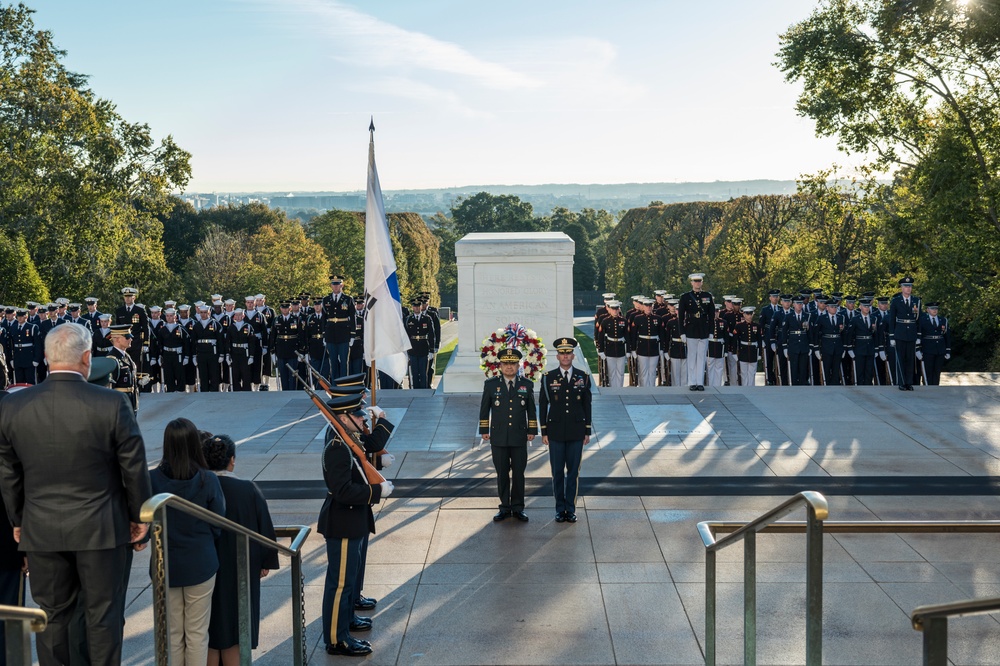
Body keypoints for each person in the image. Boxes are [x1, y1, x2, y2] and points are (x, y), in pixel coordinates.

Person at [0, 323, 152, 666]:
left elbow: (8, 473)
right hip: (102, 528)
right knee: (102, 617)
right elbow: (134, 467)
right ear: (87, 358)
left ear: (45, 357)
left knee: (52, 618)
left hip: (41, 530)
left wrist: (19, 520)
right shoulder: (112, 403)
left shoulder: (14, 405)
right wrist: (139, 516)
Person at [319, 394, 393, 657]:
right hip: (343, 521)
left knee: (349, 581)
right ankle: (336, 640)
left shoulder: (346, 440)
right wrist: (376, 491)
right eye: (358, 415)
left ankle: (346, 621)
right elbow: (342, 490)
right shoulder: (338, 447)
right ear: (343, 418)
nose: (363, 418)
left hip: (353, 519)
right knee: (340, 585)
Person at [150, 417, 226, 666]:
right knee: (196, 634)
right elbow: (218, 522)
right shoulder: (208, 479)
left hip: (166, 564)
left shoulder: (152, 479)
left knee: (171, 634)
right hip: (201, 562)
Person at [202, 434, 279, 666]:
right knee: (237, 627)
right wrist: (265, 561)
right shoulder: (247, 489)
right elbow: (264, 528)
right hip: (241, 568)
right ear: (232, 460)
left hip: (207, 567)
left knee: (210, 630)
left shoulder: (199, 488)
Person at [478, 348, 537, 523]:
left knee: (519, 473)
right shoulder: (491, 384)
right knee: (502, 473)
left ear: (518, 365)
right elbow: (484, 409)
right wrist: (484, 430)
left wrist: (532, 430)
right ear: (500, 365)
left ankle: (518, 507)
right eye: (506, 363)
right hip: (498, 436)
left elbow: (531, 410)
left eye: (512, 363)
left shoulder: (526, 384)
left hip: (519, 436)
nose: (509, 367)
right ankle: (504, 507)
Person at [538, 337, 591, 524]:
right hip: (556, 432)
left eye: (568, 353)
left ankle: (571, 508)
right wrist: (544, 431)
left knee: (573, 472)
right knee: (558, 472)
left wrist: (587, 430)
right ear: (557, 356)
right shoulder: (548, 377)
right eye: (562, 353)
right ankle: (560, 509)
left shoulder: (583, 376)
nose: (565, 356)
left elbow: (587, 404)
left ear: (573, 355)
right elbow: (543, 405)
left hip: (577, 431)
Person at [678, 273, 715, 390]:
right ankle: (692, 382)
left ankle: (700, 382)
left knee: (701, 357)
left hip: (703, 330)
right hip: (691, 329)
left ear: (702, 282)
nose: (697, 283)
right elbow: (680, 317)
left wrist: (711, 331)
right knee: (692, 357)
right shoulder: (685, 297)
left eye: (699, 281)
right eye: (695, 281)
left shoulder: (707, 296)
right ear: (692, 283)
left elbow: (712, 315)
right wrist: (682, 332)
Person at [888, 276, 921, 390]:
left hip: (911, 333)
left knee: (910, 359)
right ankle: (901, 382)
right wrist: (892, 336)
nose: (908, 288)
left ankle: (909, 382)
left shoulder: (916, 301)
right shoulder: (896, 301)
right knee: (901, 359)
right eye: (906, 286)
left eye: (910, 286)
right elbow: (892, 319)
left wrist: (918, 335)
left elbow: (919, 319)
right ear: (901, 288)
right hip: (900, 332)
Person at [917, 302, 951, 385]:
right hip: (927, 349)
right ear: (927, 310)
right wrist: (917, 349)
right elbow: (918, 336)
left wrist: (948, 350)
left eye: (936, 308)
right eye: (932, 308)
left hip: (940, 349)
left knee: (937, 371)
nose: (934, 310)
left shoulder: (943, 320)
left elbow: (947, 336)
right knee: (928, 371)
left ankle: (935, 387)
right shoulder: (922, 320)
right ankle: (927, 387)